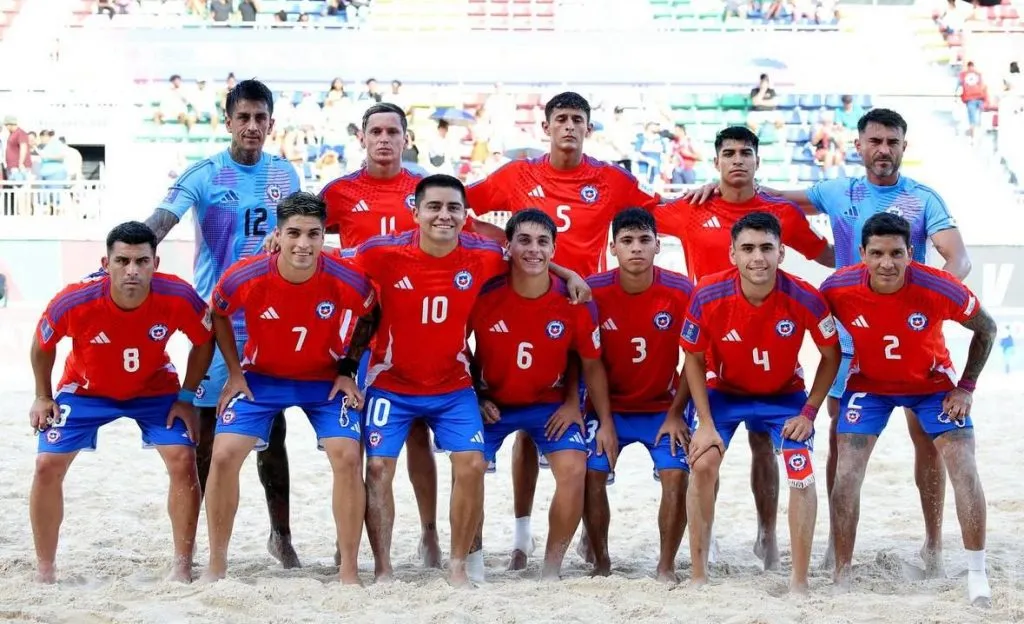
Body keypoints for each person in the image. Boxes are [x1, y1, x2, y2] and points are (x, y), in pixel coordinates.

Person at [681, 108, 971, 573]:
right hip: (852, 331)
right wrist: (720, 187)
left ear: (903, 146)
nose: (883, 150)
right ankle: (839, 544)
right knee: (840, 439)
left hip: (915, 332)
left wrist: (932, 301)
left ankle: (933, 541)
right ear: (858, 146)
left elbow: (958, 259)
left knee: (927, 440)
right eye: (874, 141)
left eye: (892, 142)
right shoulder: (836, 191)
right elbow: (770, 197)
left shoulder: (922, 198)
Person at [332, 174, 589, 586]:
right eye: (434, 207)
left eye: (453, 208)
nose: (444, 215)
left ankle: (457, 567)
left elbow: (526, 256)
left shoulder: (482, 253)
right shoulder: (381, 252)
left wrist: (568, 272)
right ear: (414, 212)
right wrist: (278, 243)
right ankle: (383, 570)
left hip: (453, 385)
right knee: (378, 467)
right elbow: (326, 259)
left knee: (470, 462)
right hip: (392, 382)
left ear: (465, 215)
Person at [465, 91, 663, 567]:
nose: (569, 126)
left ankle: (572, 538)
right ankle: (521, 533)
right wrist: (504, 245)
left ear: (588, 129)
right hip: (524, 299)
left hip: (581, 307)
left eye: (577, 119)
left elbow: (659, 216)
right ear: (546, 127)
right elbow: (461, 208)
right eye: (561, 119)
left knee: (562, 421)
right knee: (523, 434)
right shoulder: (518, 175)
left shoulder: (612, 180)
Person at [315, 102, 504, 567]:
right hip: (367, 335)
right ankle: (356, 549)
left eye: (392, 132)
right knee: (365, 449)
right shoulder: (339, 192)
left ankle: (430, 535)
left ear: (405, 137)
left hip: (430, 334)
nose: (383, 139)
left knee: (422, 439)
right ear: (362, 137)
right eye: (375, 131)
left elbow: (501, 244)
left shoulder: (423, 189)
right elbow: (313, 238)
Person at [655, 125, 835, 569]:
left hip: (775, 359)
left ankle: (767, 534)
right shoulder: (691, 207)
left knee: (765, 449)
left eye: (745, 153)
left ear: (758, 160)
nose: (737, 160)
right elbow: (635, 218)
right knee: (707, 453)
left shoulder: (782, 215)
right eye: (728, 153)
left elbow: (827, 254)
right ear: (715, 161)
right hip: (715, 355)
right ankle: (706, 538)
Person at [143, 78, 304, 568]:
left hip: (268, 323)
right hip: (217, 321)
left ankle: (281, 536)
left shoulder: (285, 174)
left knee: (270, 436)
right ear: (228, 120)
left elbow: (295, 232)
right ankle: (199, 546)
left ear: (271, 123)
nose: (252, 126)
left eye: (261, 118)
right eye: (244, 117)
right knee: (209, 438)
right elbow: (160, 221)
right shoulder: (206, 173)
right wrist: (131, 251)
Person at [820, 212, 995, 606]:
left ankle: (974, 572)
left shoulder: (939, 287)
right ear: (861, 254)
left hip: (933, 385)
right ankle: (842, 574)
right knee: (846, 473)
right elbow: (804, 324)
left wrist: (966, 387)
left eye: (897, 253)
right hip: (869, 385)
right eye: (877, 253)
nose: (887, 263)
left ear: (910, 254)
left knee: (963, 466)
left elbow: (987, 329)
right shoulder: (836, 287)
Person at [200, 192, 375, 584]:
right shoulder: (245, 275)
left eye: (313, 234)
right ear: (276, 235)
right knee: (224, 455)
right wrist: (234, 371)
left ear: (323, 237)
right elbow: (219, 314)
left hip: (323, 380)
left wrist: (348, 368)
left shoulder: (345, 275)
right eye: (293, 233)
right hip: (261, 378)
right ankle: (216, 565)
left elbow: (370, 313)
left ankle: (348, 569)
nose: (303, 244)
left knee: (347, 456)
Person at [29, 222, 215, 583]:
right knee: (45, 464)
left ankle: (181, 566)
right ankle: (45, 570)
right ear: (106, 262)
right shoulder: (75, 299)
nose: (133, 270)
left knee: (183, 457)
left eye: (142, 261)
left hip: (154, 389)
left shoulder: (178, 295)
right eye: (123, 260)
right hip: (85, 390)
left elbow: (205, 340)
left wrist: (188, 396)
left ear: (155, 262)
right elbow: (42, 346)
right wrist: (42, 395)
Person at [681, 212, 841, 592]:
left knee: (801, 471)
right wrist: (703, 422)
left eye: (767, 248)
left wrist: (809, 412)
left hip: (785, 396)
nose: (758, 257)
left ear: (782, 252)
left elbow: (831, 355)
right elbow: (692, 358)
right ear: (732, 254)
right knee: (702, 463)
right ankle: (698, 574)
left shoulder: (805, 295)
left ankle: (799, 582)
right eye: (748, 248)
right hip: (725, 393)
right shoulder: (706, 293)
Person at [469, 208, 606, 580]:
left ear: (554, 249)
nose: (533, 249)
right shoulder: (484, 293)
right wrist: (475, 395)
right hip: (492, 404)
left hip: (549, 403)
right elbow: (452, 342)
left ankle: (550, 568)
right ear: (508, 247)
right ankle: (473, 561)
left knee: (575, 468)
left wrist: (573, 404)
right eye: (524, 241)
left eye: (543, 242)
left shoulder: (574, 299)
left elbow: (588, 360)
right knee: (469, 467)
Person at [580, 208, 694, 582]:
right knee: (591, 475)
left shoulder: (680, 290)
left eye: (645, 240)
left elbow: (694, 359)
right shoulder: (593, 291)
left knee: (676, 476)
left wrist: (677, 413)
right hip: (607, 408)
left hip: (663, 408)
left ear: (658, 245)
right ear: (612, 248)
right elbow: (584, 360)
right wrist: (605, 422)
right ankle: (601, 561)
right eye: (627, 241)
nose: (636, 249)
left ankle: (666, 565)